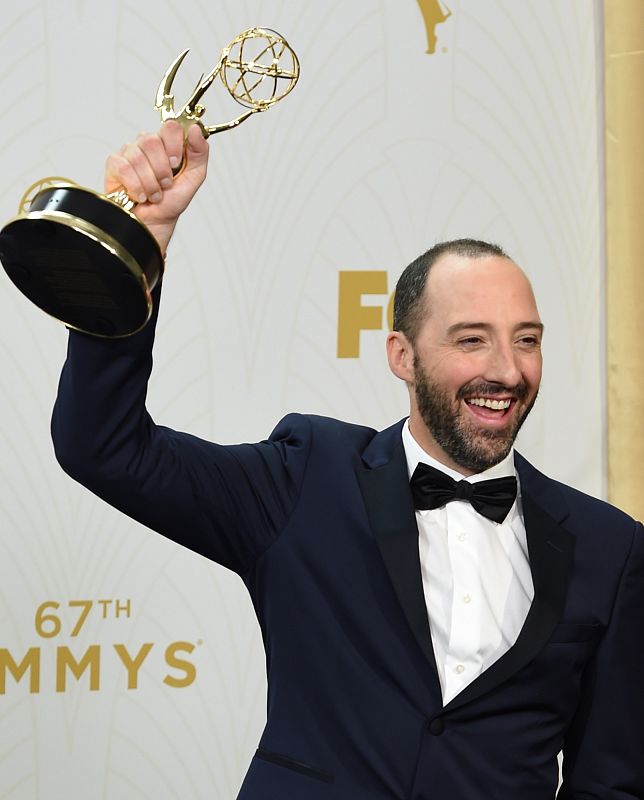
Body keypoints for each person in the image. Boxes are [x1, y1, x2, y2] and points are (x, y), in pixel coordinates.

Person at [51, 121, 644, 800]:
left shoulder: (611, 547)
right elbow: (102, 446)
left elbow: (612, 780)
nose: (506, 370)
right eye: (471, 339)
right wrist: (137, 250)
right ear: (402, 355)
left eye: (527, 340)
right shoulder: (305, 479)